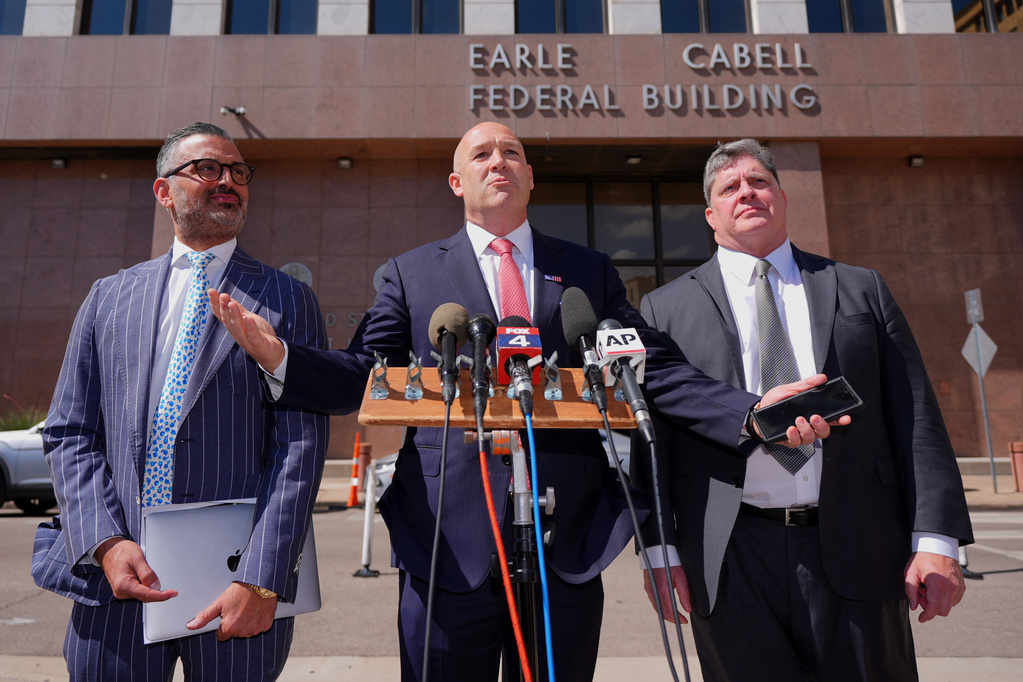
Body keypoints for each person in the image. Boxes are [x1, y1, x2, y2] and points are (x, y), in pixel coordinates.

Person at [207, 122, 834, 682]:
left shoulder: (586, 271)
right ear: (457, 181)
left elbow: (655, 367)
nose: (498, 160)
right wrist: (283, 359)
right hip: (445, 542)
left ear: (530, 177)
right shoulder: (412, 273)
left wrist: (752, 412)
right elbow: (361, 374)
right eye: (481, 153)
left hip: (569, 543)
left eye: (512, 151)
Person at [631, 138, 974, 681]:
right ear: (710, 213)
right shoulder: (664, 308)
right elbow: (652, 447)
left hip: (858, 542)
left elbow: (916, 417)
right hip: (729, 556)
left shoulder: (860, 288)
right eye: (730, 187)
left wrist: (936, 540)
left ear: (783, 199)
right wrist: (658, 551)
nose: (747, 193)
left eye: (759, 182)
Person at [31, 122, 329, 681]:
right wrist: (105, 541)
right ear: (164, 191)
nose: (229, 182)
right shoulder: (108, 297)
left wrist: (261, 576)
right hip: (116, 581)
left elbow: (300, 449)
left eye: (239, 172)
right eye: (209, 169)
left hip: (235, 589)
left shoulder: (288, 300)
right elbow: (70, 431)